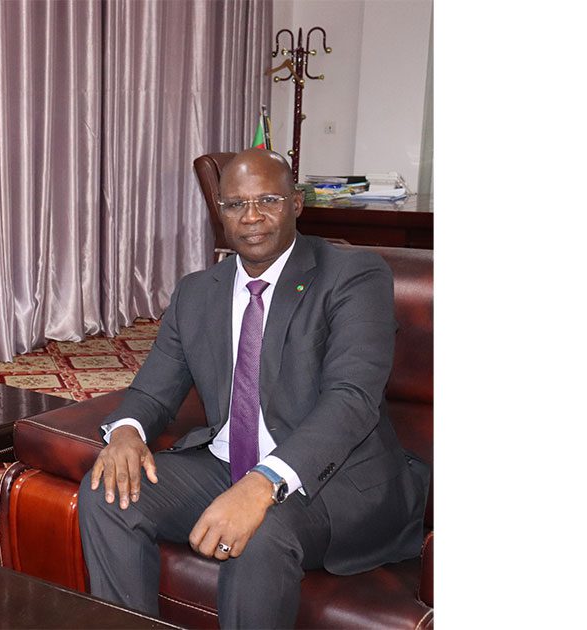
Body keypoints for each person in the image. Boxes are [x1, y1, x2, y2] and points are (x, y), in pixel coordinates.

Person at [78, 149, 430, 628]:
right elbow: (152, 391)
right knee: (109, 494)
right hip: (226, 463)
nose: (251, 216)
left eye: (268, 200)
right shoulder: (197, 292)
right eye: (235, 204)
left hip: (335, 480)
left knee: (258, 531)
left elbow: (352, 401)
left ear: (296, 203)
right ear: (220, 211)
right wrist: (125, 433)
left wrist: (262, 484)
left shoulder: (353, 276)